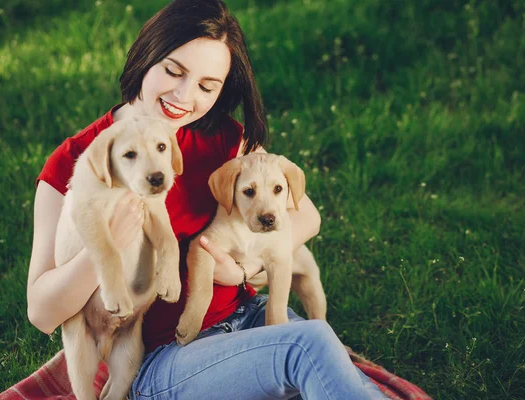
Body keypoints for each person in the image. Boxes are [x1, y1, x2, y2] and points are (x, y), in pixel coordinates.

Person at [26, 0, 386, 398]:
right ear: (147, 55)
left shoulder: (222, 139)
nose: (184, 95)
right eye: (173, 71)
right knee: (309, 346)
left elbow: (307, 216)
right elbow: (42, 311)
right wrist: (103, 245)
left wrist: (243, 267)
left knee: (333, 372)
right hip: (165, 356)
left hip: (248, 317)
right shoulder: (76, 163)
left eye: (206, 86)